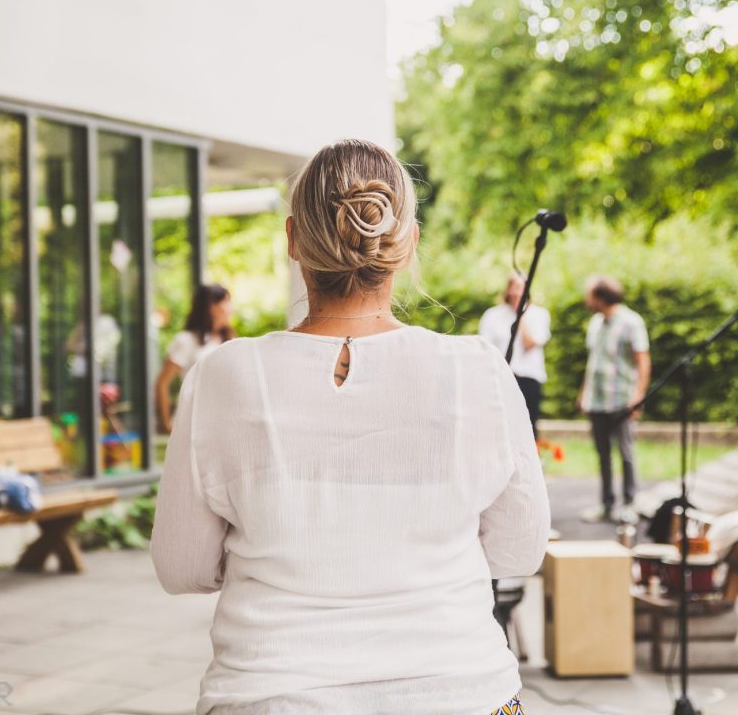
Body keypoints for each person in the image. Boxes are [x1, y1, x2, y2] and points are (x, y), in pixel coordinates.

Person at [150, 139, 550, 715]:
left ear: (292, 240)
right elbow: (519, 549)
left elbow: (182, 567)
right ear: (408, 241)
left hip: (271, 694)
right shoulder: (478, 368)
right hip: (463, 692)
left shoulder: (222, 374)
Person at [577, 276, 651, 525]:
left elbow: (643, 361)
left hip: (622, 400)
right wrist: (584, 394)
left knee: (626, 453)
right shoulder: (595, 323)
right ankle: (607, 504)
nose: (587, 300)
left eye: (590, 295)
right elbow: (593, 362)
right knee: (603, 454)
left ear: (600, 297)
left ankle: (630, 503)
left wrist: (638, 397)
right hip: (597, 401)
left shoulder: (632, 322)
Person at [154, 284, 236, 434]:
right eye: (226, 302)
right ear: (211, 307)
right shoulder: (186, 341)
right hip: (192, 425)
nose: (231, 309)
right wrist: (167, 423)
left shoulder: (230, 342)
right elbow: (162, 384)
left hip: (224, 425)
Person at [479, 273, 551, 438]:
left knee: (529, 425)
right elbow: (486, 348)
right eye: (514, 286)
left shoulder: (540, 315)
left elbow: (530, 343)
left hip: (528, 378)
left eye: (522, 287)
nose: (517, 291)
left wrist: (521, 314)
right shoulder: (492, 315)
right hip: (501, 377)